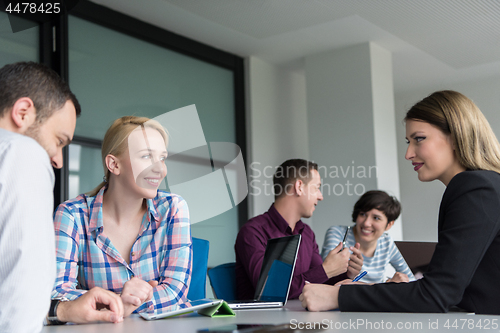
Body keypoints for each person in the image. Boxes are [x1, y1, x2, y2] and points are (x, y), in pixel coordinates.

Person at [300, 90, 500, 315]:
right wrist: (370, 288)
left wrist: (337, 296)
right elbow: (447, 291)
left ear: (455, 136)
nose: (408, 153)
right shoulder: (483, 186)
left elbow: (435, 295)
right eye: (408, 141)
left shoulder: (475, 188)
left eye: (419, 139)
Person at [0, 61, 123, 333]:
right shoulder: (21, 152)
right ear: (22, 113)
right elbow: (19, 295)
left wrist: (62, 309)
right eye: (59, 141)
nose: (58, 160)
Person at [52, 116, 192, 316]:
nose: (160, 169)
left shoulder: (173, 208)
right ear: (114, 164)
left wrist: (112, 304)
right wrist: (120, 302)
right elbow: (58, 296)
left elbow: (175, 293)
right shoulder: (71, 215)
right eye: (146, 156)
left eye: (162, 158)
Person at [235, 159, 363, 300]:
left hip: (302, 319)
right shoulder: (252, 232)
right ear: (299, 187)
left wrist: (347, 272)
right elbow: (272, 290)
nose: (321, 196)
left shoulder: (307, 233)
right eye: (316, 188)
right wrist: (326, 270)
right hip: (265, 320)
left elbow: (320, 280)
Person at [321, 190, 414, 283]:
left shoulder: (386, 242)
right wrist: (386, 287)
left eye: (376, 218)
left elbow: (412, 280)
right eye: (363, 214)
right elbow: (326, 277)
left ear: (389, 224)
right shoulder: (338, 234)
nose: (366, 223)